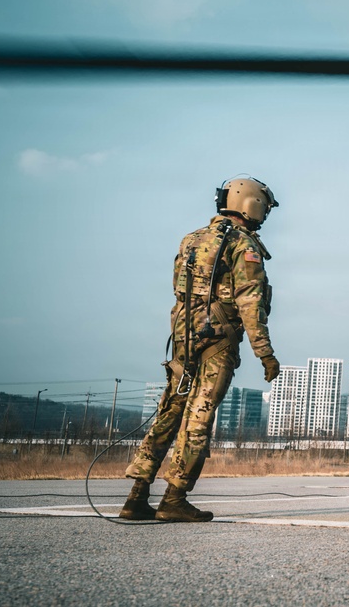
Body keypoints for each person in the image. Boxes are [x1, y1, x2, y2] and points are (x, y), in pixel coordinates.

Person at [120, 177, 281, 522]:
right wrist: (265, 353)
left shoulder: (191, 239)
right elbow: (251, 301)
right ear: (251, 204)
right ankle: (174, 497)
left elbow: (181, 290)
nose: (264, 215)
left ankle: (136, 496)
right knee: (199, 416)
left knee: (169, 411)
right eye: (263, 207)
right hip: (217, 341)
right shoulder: (242, 245)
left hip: (183, 337)